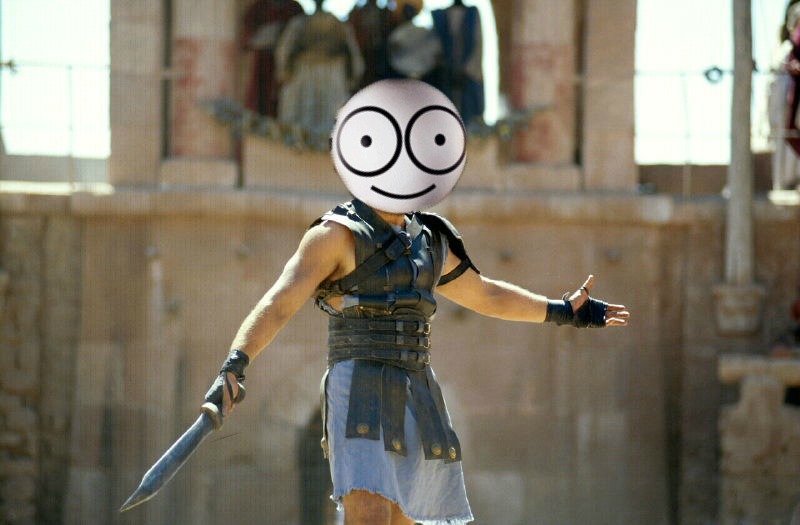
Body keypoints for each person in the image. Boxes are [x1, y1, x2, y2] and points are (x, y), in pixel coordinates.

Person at [204, 79, 630, 525]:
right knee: (369, 514)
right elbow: (279, 303)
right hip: (359, 387)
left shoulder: (430, 239)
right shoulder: (334, 236)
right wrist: (235, 364)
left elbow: (485, 294)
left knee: (406, 518)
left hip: (417, 386)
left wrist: (563, 311)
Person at [275, 0, 364, 136]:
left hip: (325, 75)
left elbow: (284, 52)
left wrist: (285, 71)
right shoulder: (301, 24)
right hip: (313, 76)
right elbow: (285, 52)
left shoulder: (336, 25)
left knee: (326, 123)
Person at [240, 0, 304, 116]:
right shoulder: (258, 8)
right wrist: (268, 35)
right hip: (262, 65)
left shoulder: (294, 8)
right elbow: (247, 39)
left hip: (287, 68)